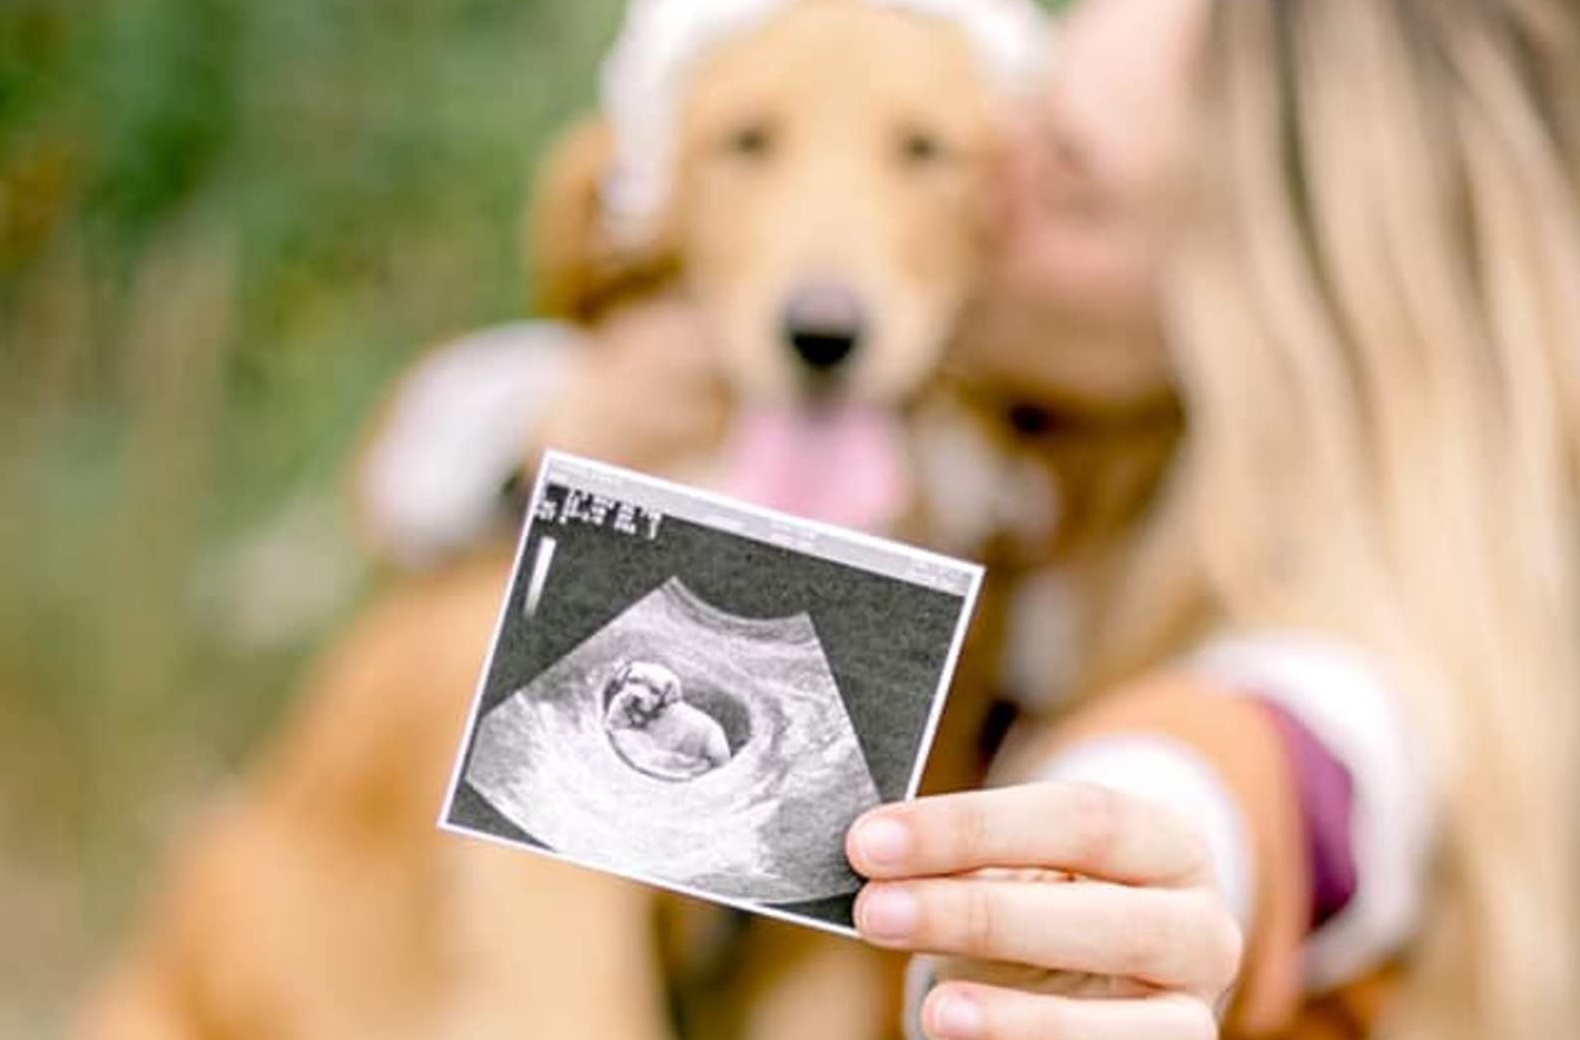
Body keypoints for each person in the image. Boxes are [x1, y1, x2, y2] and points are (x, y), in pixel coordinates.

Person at [846, 1, 1580, 1039]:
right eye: (1026, 101)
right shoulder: (1016, 478)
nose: (982, 178)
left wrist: (1114, 872)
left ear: (1252, 308)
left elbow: (1275, 772)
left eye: (1068, 176)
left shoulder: (1362, 672)